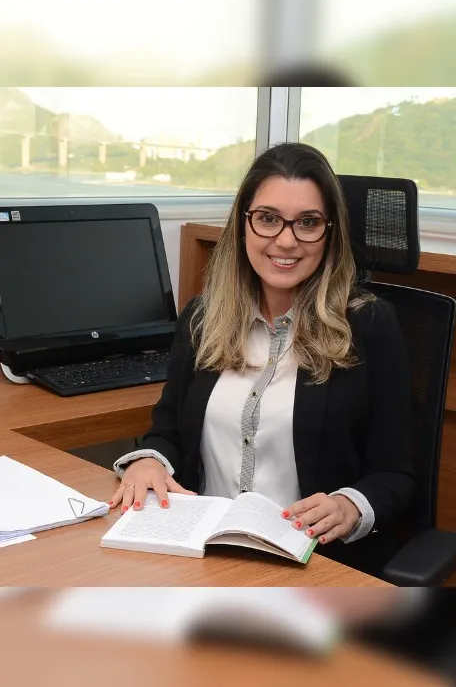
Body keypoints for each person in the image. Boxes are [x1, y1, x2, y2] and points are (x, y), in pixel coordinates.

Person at [108, 142, 415, 575]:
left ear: (330, 233)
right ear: (243, 225)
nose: (286, 240)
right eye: (268, 218)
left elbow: (396, 475)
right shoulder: (203, 317)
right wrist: (147, 460)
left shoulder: (368, 326)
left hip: (310, 561)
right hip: (202, 551)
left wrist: (350, 505)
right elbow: (169, 430)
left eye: (308, 222)